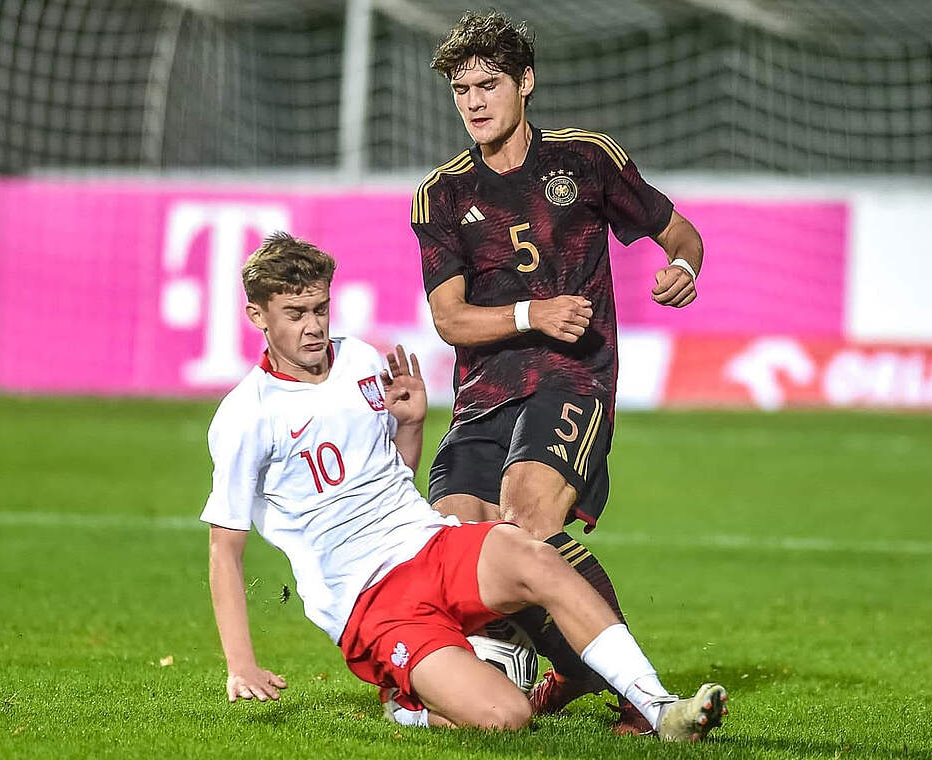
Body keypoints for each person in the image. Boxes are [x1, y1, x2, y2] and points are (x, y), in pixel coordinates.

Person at [202, 232, 726, 741]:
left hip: (427, 543)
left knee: (535, 552)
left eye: (320, 308)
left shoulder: (359, 360)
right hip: (368, 600)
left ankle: (658, 708)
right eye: (295, 314)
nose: (313, 325)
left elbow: (390, 478)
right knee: (508, 716)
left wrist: (409, 426)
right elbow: (225, 550)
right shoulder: (247, 416)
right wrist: (241, 664)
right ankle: (406, 706)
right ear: (258, 317)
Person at [411, 11, 705, 732]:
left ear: (526, 82)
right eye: (461, 89)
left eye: (488, 84)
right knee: (457, 536)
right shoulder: (441, 195)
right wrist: (531, 314)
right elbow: (450, 320)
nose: (475, 101)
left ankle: (641, 697)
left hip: (573, 381)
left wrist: (683, 268)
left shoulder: (586, 159)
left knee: (526, 513)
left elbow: (680, 234)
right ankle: (573, 668)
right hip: (483, 399)